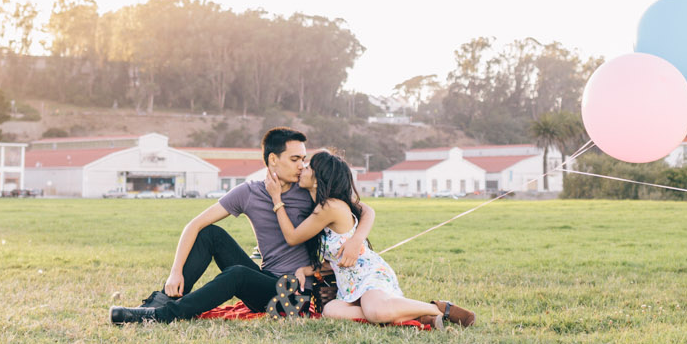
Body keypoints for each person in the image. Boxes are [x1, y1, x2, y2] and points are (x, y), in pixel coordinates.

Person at [109, 128, 375, 324]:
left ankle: (163, 316)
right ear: (273, 160)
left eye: (303, 159)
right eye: (295, 159)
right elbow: (194, 224)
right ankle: (159, 302)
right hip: (265, 283)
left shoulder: (309, 189)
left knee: (237, 274)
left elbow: (366, 211)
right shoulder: (248, 193)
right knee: (211, 234)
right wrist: (175, 272)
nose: (302, 166)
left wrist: (355, 241)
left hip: (294, 294)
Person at [271, 149, 475, 329]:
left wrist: (276, 199)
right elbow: (338, 258)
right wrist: (305, 270)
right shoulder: (326, 205)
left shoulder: (329, 207)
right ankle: (418, 317)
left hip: (369, 277)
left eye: (307, 167)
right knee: (331, 311)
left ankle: (439, 308)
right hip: (350, 288)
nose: (302, 170)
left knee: (376, 312)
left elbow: (292, 237)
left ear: (317, 178)